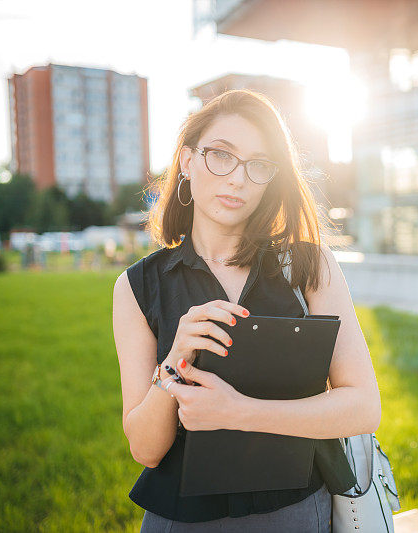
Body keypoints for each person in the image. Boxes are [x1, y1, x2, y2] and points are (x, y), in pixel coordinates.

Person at [112, 89, 381, 532]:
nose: (237, 178)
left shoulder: (310, 268)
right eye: (221, 155)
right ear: (187, 162)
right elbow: (145, 449)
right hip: (181, 521)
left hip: (296, 513)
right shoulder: (138, 286)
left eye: (258, 164)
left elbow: (363, 407)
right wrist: (174, 361)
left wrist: (239, 411)